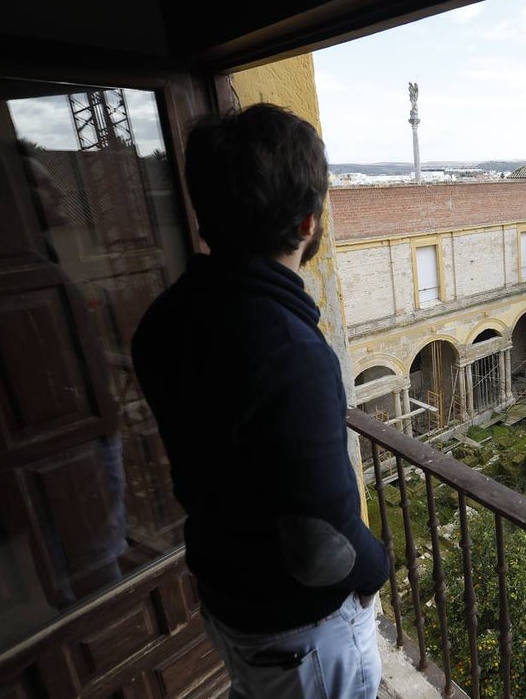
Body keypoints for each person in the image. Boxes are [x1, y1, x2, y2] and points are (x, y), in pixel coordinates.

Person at [131, 103, 391, 699]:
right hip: (299, 631)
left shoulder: (166, 318)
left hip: (231, 599)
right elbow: (322, 538)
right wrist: (376, 567)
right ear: (308, 223)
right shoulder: (288, 349)